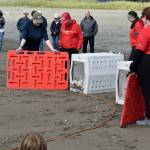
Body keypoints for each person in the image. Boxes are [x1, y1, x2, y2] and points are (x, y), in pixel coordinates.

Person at [130, 7, 150, 125]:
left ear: (144, 17)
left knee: (147, 90)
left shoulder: (145, 31)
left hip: (147, 61)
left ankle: (148, 117)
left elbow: (139, 51)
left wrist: (133, 66)